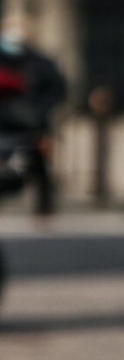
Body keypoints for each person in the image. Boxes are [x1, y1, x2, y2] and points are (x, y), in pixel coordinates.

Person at [0, 15, 67, 217]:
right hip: (3, 124)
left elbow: (57, 90)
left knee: (38, 168)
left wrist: (39, 112)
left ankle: (44, 209)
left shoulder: (40, 63)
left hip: (32, 126)